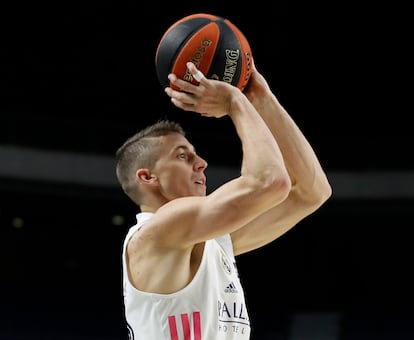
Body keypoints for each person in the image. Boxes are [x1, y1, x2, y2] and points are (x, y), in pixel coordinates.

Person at [115, 61, 332, 340]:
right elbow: (269, 182)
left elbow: (312, 192)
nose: (202, 163)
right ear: (148, 177)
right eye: (183, 156)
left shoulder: (210, 242)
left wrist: (262, 100)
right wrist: (235, 101)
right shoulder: (158, 231)